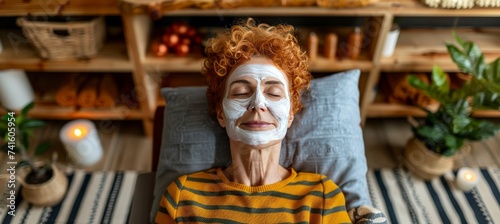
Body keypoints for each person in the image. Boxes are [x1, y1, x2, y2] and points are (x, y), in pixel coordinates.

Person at [155, 18, 352, 223]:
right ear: (221, 113)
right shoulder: (183, 196)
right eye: (241, 92)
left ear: (290, 115)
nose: (258, 104)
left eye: (274, 93)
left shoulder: (321, 197)